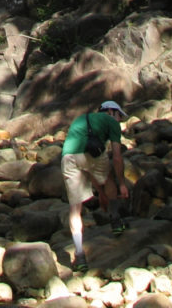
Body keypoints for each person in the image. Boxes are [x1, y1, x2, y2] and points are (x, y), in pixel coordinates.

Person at [60, 99, 129, 272]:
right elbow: (117, 157)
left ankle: (80, 254)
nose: (119, 120)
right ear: (111, 112)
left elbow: (84, 165)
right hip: (93, 154)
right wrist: (122, 184)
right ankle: (115, 220)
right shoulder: (111, 122)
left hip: (68, 158)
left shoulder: (80, 120)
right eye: (119, 116)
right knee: (109, 180)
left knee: (75, 210)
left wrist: (100, 194)